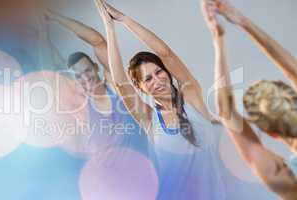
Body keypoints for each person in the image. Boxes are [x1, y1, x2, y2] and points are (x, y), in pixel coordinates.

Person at [94, 0, 226, 199]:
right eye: (148, 78)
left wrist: (125, 20)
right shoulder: (149, 118)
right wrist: (109, 27)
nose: (157, 80)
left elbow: (166, 54)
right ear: (140, 88)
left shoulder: (191, 97)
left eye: (159, 72)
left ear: (167, 71)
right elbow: (121, 84)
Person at [201, 0, 297, 199]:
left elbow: (226, 111)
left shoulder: (279, 174)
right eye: (273, 104)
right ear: (272, 133)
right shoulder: (283, 177)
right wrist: (221, 36)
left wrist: (240, 25)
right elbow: (226, 112)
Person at [44, 9, 150, 158]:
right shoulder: (80, 106)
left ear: (96, 66)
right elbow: (51, 67)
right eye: (79, 76)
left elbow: (98, 41)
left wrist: (56, 17)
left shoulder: (116, 86)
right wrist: (44, 35)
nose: (86, 78)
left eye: (87, 70)